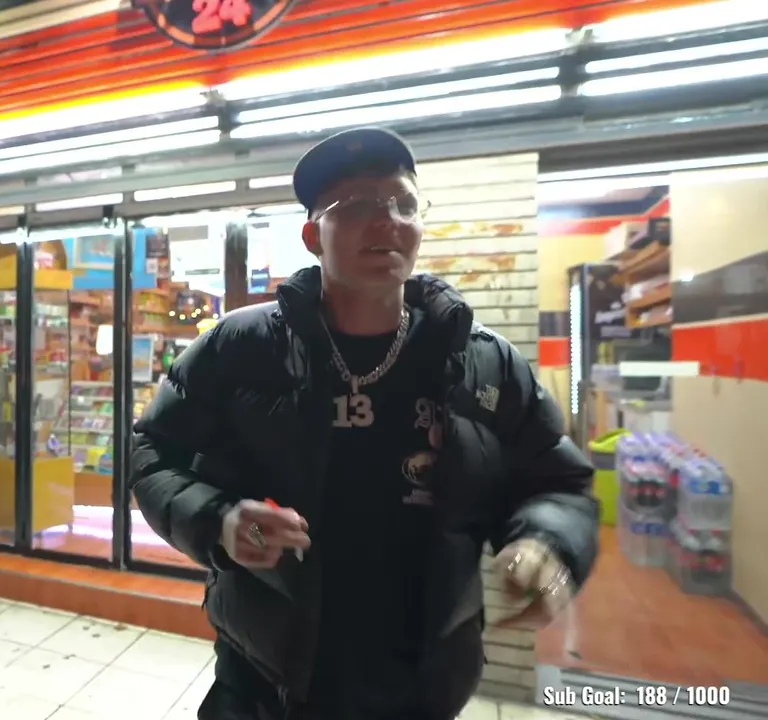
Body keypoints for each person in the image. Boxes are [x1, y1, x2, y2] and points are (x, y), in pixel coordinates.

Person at [130, 127, 599, 719]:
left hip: (423, 686)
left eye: (404, 204)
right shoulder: (239, 348)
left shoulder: (483, 361)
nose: (387, 221)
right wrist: (218, 520)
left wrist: (548, 543)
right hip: (265, 682)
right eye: (356, 207)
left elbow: (557, 481)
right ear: (312, 236)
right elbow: (153, 451)